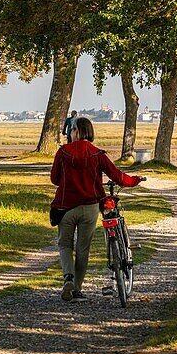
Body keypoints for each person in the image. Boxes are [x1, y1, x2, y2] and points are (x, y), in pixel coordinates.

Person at [50, 117, 143, 301]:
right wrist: (134, 180)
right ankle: (77, 290)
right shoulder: (97, 154)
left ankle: (68, 277)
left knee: (64, 244)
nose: (70, 132)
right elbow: (117, 176)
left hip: (66, 207)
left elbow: (55, 179)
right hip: (90, 207)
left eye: (72, 130)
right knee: (83, 248)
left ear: (75, 131)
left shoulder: (63, 152)